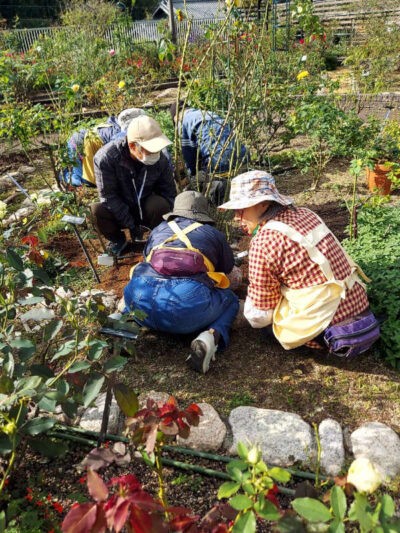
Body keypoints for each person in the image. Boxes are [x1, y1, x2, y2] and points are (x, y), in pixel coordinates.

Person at [218, 170, 376, 353]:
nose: (236, 217)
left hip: (329, 329)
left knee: (262, 324)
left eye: (240, 209)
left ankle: (313, 346)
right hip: (359, 307)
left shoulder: (264, 240)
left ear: (263, 204)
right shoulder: (306, 214)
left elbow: (259, 316)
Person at [123, 190, 239, 374]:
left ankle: (122, 327)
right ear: (203, 213)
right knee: (231, 299)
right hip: (184, 310)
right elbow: (228, 268)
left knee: (138, 286)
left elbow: (147, 260)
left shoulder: (158, 229)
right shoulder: (213, 234)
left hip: (140, 301)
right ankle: (210, 338)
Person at [91, 115, 177, 256]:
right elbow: (109, 197)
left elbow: (169, 192)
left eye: (157, 149)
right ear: (132, 146)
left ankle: (158, 237)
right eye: (150, 150)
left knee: (159, 204)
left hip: (146, 207)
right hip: (119, 209)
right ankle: (118, 240)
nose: (155, 154)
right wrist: (131, 225)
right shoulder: (106, 158)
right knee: (97, 210)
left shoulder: (160, 160)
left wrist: (175, 223)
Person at [170, 102, 248, 204]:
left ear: (176, 117)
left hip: (219, 162)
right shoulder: (208, 113)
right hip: (242, 156)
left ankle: (213, 200)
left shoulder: (184, 121)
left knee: (198, 182)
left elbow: (189, 155)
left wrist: (191, 174)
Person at [61, 108, 145, 187]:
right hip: (78, 141)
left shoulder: (121, 127)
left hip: (84, 139)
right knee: (82, 180)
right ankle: (64, 176)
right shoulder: (120, 135)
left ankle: (67, 173)